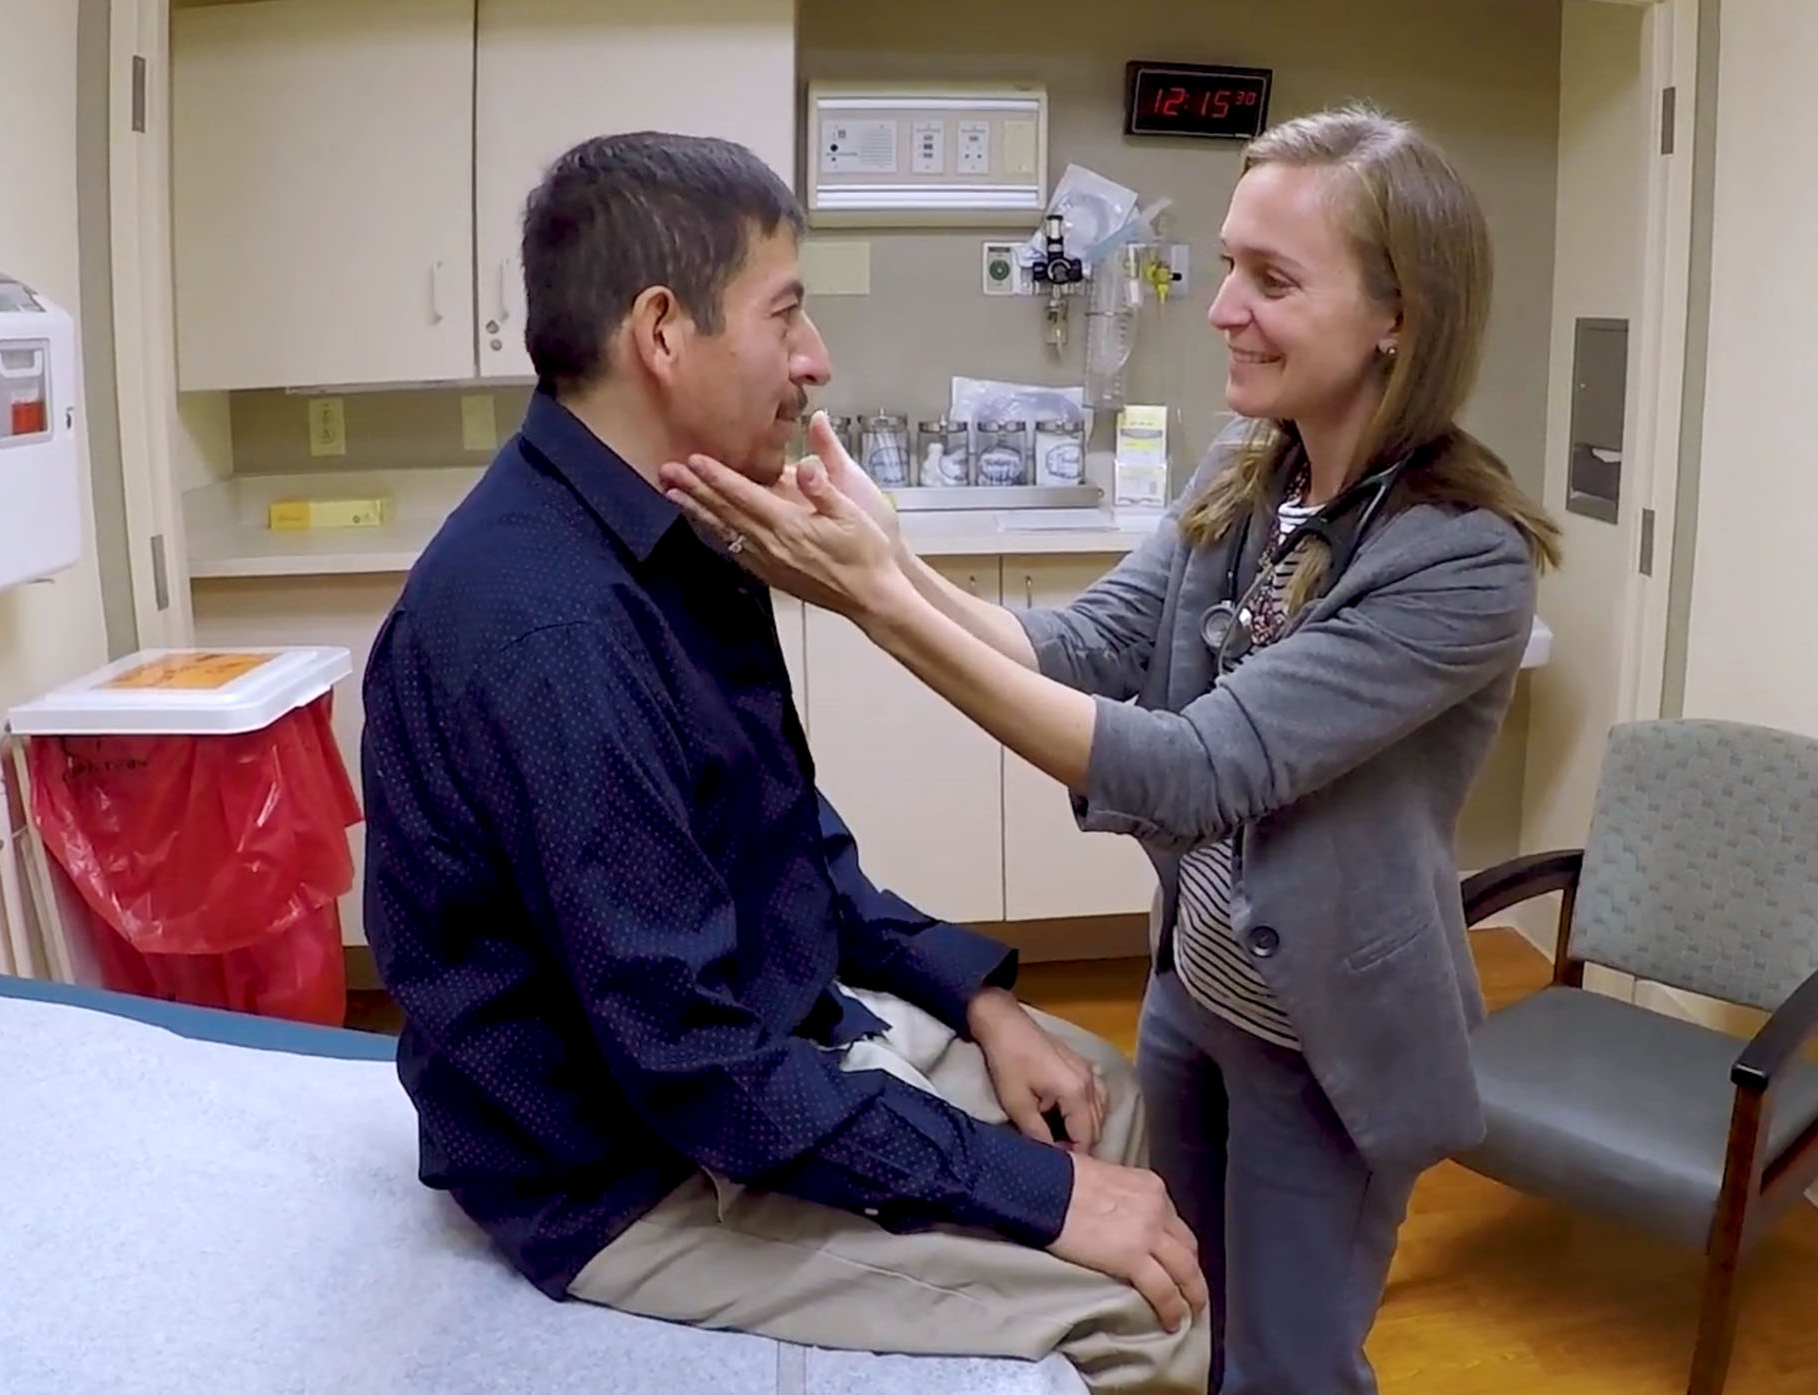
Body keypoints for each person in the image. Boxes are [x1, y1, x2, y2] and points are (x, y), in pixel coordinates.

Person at [659, 103, 1561, 1394]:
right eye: (1229, 265)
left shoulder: (1460, 561)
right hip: (1194, 993)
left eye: (1273, 278)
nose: (1221, 309)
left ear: (1397, 316)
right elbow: (1080, 647)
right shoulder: (1250, 470)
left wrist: (873, 598)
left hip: (1331, 1035)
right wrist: (894, 553)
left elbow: (1195, 765)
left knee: (1289, 1365)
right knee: (1184, 1310)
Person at [356, 130, 1209, 1393]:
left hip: (752, 1043)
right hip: (624, 1169)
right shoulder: (548, 631)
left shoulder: (687, 527)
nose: (815, 361)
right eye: (787, 313)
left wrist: (976, 999)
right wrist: (1031, 1198)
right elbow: (686, 1061)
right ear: (660, 330)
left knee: (1097, 1097)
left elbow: (786, 840)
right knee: (1144, 1311)